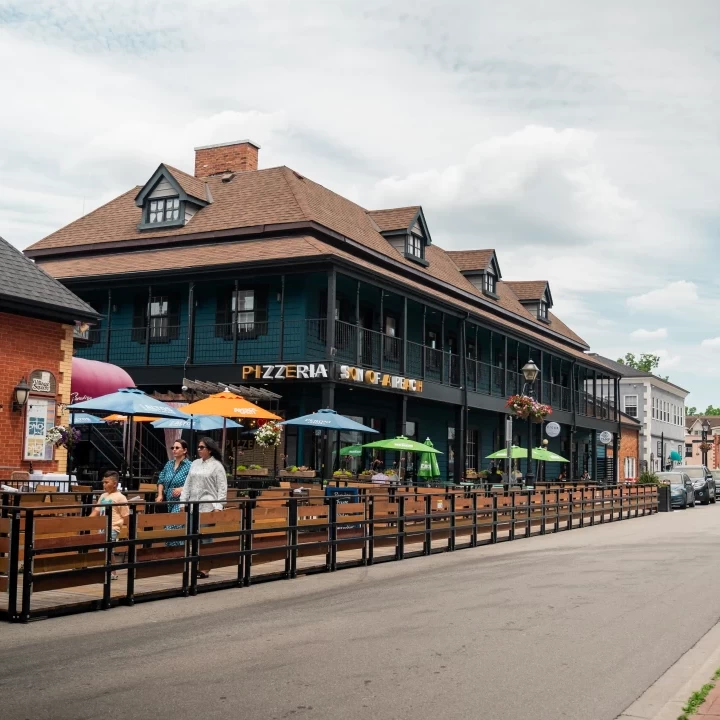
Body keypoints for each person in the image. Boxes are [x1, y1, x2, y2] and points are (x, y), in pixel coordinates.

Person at [180, 437, 227, 579]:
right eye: (198, 447)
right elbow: (187, 484)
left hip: (208, 506)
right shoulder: (194, 464)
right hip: (193, 505)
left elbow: (222, 488)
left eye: (202, 447)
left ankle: (205, 567)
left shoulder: (217, 466)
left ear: (210, 449)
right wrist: (183, 502)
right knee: (193, 538)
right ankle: (195, 564)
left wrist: (218, 506)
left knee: (206, 538)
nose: (199, 450)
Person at [90, 470, 129, 580]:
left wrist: (125, 527)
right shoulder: (103, 496)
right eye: (103, 482)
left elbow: (126, 515)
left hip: (113, 526)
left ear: (115, 484)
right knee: (103, 549)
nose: (104, 485)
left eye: (107, 482)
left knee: (107, 549)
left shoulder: (120, 497)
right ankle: (109, 570)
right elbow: (96, 511)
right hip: (102, 526)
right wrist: (85, 521)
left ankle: (110, 571)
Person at [156, 440, 192, 546]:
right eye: (173, 448)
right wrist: (160, 494)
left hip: (182, 501)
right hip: (169, 501)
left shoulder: (190, 465)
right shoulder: (169, 464)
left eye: (177, 448)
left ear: (185, 450)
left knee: (171, 527)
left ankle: (174, 553)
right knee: (175, 529)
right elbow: (161, 480)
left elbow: (194, 482)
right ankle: (175, 553)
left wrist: (182, 489)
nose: (174, 450)